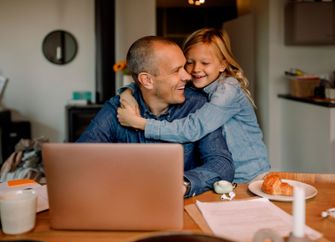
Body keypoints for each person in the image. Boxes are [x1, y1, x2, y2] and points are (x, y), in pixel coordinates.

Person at [77, 36, 234, 197]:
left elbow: (222, 164)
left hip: (182, 208)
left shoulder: (197, 105)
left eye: (183, 67)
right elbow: (79, 160)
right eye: (176, 71)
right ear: (147, 80)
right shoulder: (117, 108)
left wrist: (182, 184)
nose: (187, 76)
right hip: (126, 202)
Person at [117, 28, 270, 183]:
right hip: (222, 179)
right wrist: (126, 93)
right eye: (190, 62)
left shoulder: (228, 90)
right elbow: (151, 83)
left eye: (205, 63)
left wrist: (140, 123)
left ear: (223, 64)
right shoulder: (196, 86)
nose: (196, 69)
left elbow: (193, 129)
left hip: (250, 178)